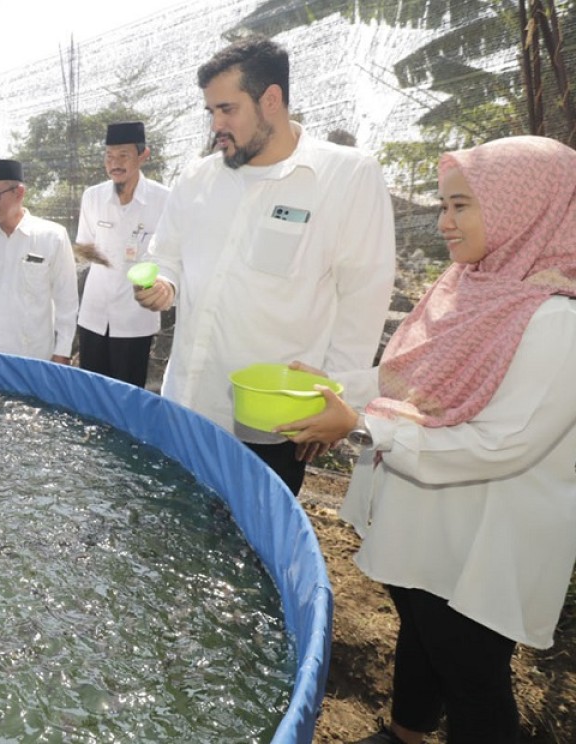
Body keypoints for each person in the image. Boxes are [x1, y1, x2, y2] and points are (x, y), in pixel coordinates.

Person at [277, 135, 576, 744]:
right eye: (443, 205)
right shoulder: (467, 285)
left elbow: (503, 445)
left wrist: (360, 425)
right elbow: (408, 380)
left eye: (461, 205)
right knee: (418, 626)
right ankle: (406, 732)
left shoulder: (556, 321)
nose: (444, 222)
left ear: (526, 207)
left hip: (482, 538)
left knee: (472, 676)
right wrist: (340, 387)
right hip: (424, 515)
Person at [134, 37, 395, 495]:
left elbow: (363, 295)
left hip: (271, 421)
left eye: (227, 109)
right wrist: (165, 285)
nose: (217, 125)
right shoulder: (199, 177)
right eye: (211, 112)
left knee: (249, 552)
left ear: (270, 100)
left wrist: (336, 397)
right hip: (187, 402)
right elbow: (165, 255)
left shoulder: (345, 176)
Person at [0, 158, 78, 363]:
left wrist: (62, 352)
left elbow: (67, 301)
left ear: (19, 193)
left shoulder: (51, 237)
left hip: (33, 358)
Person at [76, 121, 169, 388]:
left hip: (135, 315)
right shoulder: (93, 197)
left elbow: (169, 254)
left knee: (127, 394)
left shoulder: (163, 200)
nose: (114, 163)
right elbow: (84, 247)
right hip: (94, 314)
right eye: (109, 156)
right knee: (91, 393)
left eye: (123, 156)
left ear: (143, 155)